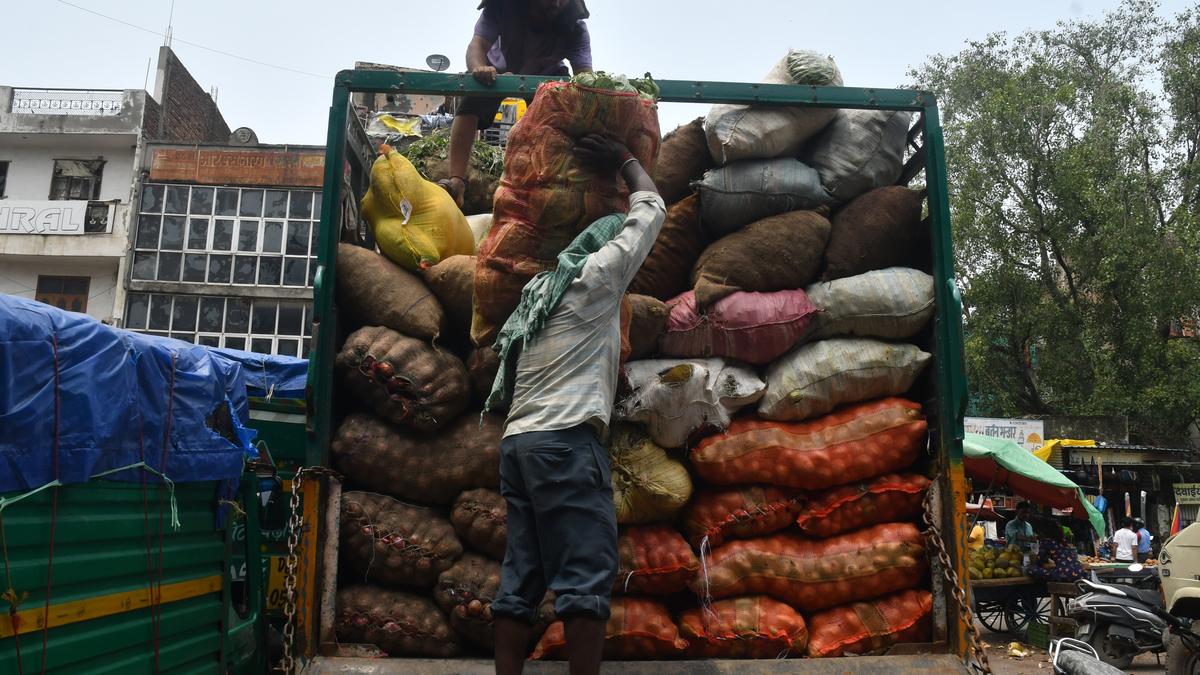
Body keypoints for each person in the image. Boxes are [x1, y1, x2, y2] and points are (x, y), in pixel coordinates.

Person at [484, 134, 665, 675]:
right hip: (564, 443)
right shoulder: (597, 278)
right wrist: (627, 161)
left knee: (524, 571)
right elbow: (652, 210)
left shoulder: (539, 292)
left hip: (518, 445)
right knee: (587, 574)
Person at [438, 0, 593, 207]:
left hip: (546, 75)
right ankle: (456, 181)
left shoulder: (575, 28)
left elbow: (585, 78)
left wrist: (579, 102)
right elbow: (477, 46)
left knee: (562, 113)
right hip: (495, 70)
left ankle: (551, 179)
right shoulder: (501, 7)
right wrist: (479, 68)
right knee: (470, 103)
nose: (555, 3)